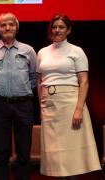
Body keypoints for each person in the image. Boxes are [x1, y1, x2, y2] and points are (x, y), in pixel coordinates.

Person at [37, 13, 101, 178]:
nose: (57, 30)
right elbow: (39, 81)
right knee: (55, 156)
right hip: (49, 104)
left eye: (61, 27)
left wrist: (79, 109)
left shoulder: (76, 51)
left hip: (70, 103)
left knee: (70, 157)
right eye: (54, 26)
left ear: (68, 30)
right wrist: (41, 106)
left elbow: (84, 82)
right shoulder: (42, 52)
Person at [0, 12, 37, 180]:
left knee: (24, 152)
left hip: (23, 105)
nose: (7, 27)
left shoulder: (28, 50)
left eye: (11, 24)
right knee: (0, 152)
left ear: (16, 27)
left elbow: (34, 77)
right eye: (3, 25)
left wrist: (23, 92)